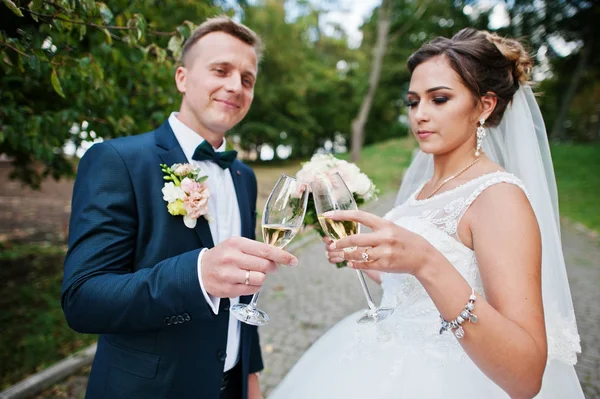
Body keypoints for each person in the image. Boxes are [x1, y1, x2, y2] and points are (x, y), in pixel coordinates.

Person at [269, 28, 583, 398]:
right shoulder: (423, 189)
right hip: (382, 362)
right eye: (413, 101)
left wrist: (426, 262)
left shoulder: (498, 196)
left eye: (439, 99)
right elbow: (411, 291)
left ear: (484, 105)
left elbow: (526, 375)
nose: (420, 114)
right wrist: (372, 260)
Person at [61, 16, 298, 399]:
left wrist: (249, 376)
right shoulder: (117, 160)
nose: (235, 86)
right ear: (182, 78)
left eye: (247, 78)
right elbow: (83, 299)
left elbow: (244, 290)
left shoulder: (243, 176)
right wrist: (197, 275)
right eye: (220, 70)